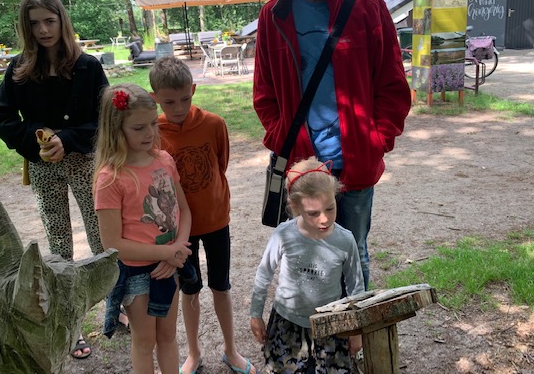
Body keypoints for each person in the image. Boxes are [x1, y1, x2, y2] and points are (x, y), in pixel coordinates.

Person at [252, 0, 411, 290]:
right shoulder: (274, 16)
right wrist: (284, 142)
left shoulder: (367, 7)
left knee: (353, 254)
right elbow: (264, 96)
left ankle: (352, 342)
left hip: (354, 165)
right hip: (304, 167)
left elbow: (393, 87)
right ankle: (317, 342)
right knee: (306, 259)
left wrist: (376, 142)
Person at [0, 0, 109, 359]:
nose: (43, 30)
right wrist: (36, 138)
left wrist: (68, 139)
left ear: (62, 21)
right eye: (34, 23)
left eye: (49, 21)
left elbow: (105, 119)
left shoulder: (87, 66)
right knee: (58, 246)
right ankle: (70, 323)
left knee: (101, 235)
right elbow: (1, 119)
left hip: (84, 161)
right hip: (43, 167)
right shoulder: (20, 69)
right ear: (26, 27)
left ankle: (116, 305)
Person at [149, 57, 257, 374]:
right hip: (179, 229)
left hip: (215, 221)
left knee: (221, 286)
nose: (178, 106)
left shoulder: (214, 124)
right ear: (155, 98)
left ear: (194, 90)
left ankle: (231, 350)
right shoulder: (153, 131)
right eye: (169, 101)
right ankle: (194, 353)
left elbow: (219, 164)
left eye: (185, 98)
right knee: (190, 290)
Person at [93, 83, 193, 374]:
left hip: (171, 264)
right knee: (145, 340)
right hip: (138, 273)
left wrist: (177, 252)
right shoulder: (110, 178)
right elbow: (112, 243)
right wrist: (168, 251)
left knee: (168, 336)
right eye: (138, 128)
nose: (150, 133)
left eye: (152, 123)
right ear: (116, 129)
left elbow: (184, 210)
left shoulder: (164, 160)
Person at [250, 157, 364, 372]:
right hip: (287, 322)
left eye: (330, 208)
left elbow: (356, 287)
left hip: (331, 323)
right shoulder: (284, 235)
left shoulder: (345, 240)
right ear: (295, 206)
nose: (324, 219)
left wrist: (356, 330)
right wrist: (255, 314)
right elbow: (264, 274)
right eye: (313, 213)